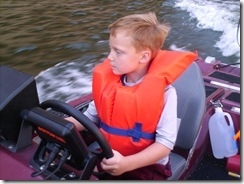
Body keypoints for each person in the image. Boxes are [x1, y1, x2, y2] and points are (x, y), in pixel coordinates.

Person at [67, 12, 197, 180]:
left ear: (144, 56)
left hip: (146, 169)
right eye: (110, 49)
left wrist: (127, 164)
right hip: (109, 157)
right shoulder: (109, 84)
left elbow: (164, 145)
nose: (109, 57)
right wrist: (56, 124)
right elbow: (89, 118)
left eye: (118, 52)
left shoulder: (166, 94)